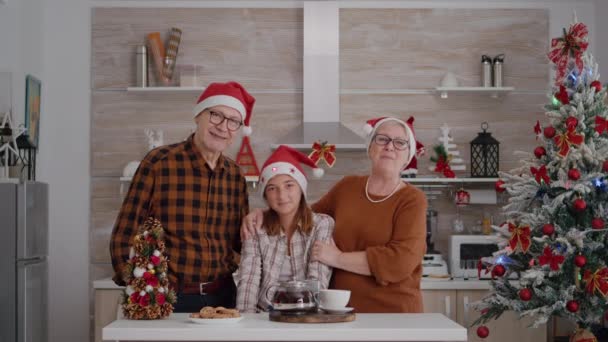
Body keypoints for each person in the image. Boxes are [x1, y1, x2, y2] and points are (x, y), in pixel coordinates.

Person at [242, 116, 427, 313]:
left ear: (408, 156)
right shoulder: (347, 187)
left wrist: (338, 258)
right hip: (341, 314)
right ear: (370, 147)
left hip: (394, 314)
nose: (390, 147)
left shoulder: (412, 200)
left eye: (400, 143)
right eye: (382, 139)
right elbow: (301, 215)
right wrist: (264, 212)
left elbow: (399, 262)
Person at [110, 81, 255, 312]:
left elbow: (240, 241)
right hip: (169, 297)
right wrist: (138, 287)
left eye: (233, 121)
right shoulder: (159, 163)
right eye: (216, 115)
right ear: (199, 115)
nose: (223, 126)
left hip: (224, 298)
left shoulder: (235, 175)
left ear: (237, 130)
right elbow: (125, 234)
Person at [236, 145, 334, 313]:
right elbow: (249, 278)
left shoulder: (322, 224)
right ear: (265, 195)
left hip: (306, 313)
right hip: (264, 314)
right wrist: (247, 323)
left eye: (289, 185)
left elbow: (317, 278)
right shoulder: (256, 227)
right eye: (272, 188)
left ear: (301, 189)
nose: (281, 196)